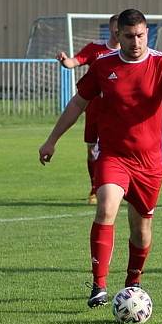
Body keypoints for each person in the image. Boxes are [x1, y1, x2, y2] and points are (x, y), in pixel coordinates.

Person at [39, 9, 162, 308]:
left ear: (147, 33)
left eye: (141, 35)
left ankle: (133, 281)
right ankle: (99, 285)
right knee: (105, 209)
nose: (136, 42)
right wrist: (52, 140)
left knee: (140, 229)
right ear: (117, 35)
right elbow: (78, 103)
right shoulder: (103, 66)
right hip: (113, 156)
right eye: (129, 36)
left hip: (150, 163)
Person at [56, 14, 120, 204]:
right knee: (92, 150)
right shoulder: (96, 48)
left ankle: (118, 186)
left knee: (119, 148)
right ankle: (94, 189)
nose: (119, 33)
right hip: (94, 108)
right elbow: (74, 62)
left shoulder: (129, 52)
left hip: (117, 110)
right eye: (116, 29)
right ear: (110, 29)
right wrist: (65, 61)